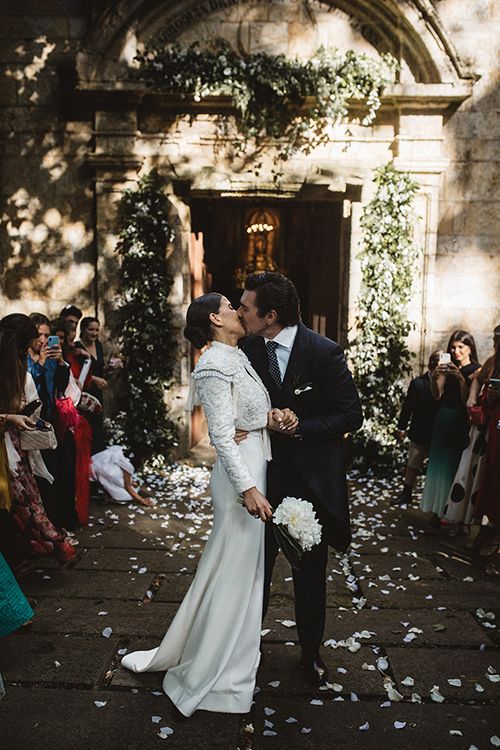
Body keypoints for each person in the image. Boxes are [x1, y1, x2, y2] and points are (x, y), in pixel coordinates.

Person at [122, 293, 287, 716]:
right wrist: (248, 488)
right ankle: (218, 671)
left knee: (238, 570)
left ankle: (235, 656)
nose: (238, 310)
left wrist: (273, 417)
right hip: (240, 480)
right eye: (232, 306)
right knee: (234, 572)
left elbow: (245, 413)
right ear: (215, 318)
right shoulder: (213, 364)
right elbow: (219, 434)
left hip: (254, 463)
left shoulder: (236, 355)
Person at [239, 272, 363, 690]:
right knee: (254, 569)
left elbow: (350, 415)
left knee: (310, 575)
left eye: (246, 307)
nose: (239, 313)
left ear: (270, 315)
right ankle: (243, 651)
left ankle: (311, 653)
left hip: (309, 485)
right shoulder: (245, 349)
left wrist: (301, 427)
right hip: (260, 479)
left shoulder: (324, 352)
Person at [0, 314, 75, 567]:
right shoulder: (18, 365)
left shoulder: (18, 366)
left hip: (17, 443)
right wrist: (10, 417)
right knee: (20, 501)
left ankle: (43, 544)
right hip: (7, 444)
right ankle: (50, 544)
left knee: (27, 498)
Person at [420, 329, 480, 525]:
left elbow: (467, 401)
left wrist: (462, 379)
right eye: (453, 348)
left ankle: (457, 516)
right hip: (444, 418)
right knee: (439, 466)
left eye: (461, 347)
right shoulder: (447, 368)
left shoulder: (476, 371)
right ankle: (437, 511)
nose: (456, 352)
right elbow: (437, 395)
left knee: (458, 467)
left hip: (463, 421)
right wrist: (435, 377)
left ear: (469, 348)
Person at [465, 325, 500, 555]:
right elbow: (477, 379)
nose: (496, 344)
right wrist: (473, 397)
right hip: (493, 427)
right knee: (491, 476)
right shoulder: (492, 361)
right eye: (495, 340)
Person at [394, 350, 440, 504]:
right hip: (420, 431)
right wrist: (401, 427)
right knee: (413, 464)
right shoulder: (418, 384)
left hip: (439, 433)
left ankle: (433, 499)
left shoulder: (448, 384)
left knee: (435, 469)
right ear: (432, 365)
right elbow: (408, 408)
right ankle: (406, 494)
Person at [74, 317, 107, 454]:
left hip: (98, 392)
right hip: (85, 393)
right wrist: (92, 378)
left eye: (96, 330)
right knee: (87, 428)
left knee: (98, 428)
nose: (94, 333)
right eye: (91, 329)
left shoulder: (98, 345)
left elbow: (100, 368)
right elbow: (75, 373)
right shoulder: (77, 348)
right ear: (83, 330)